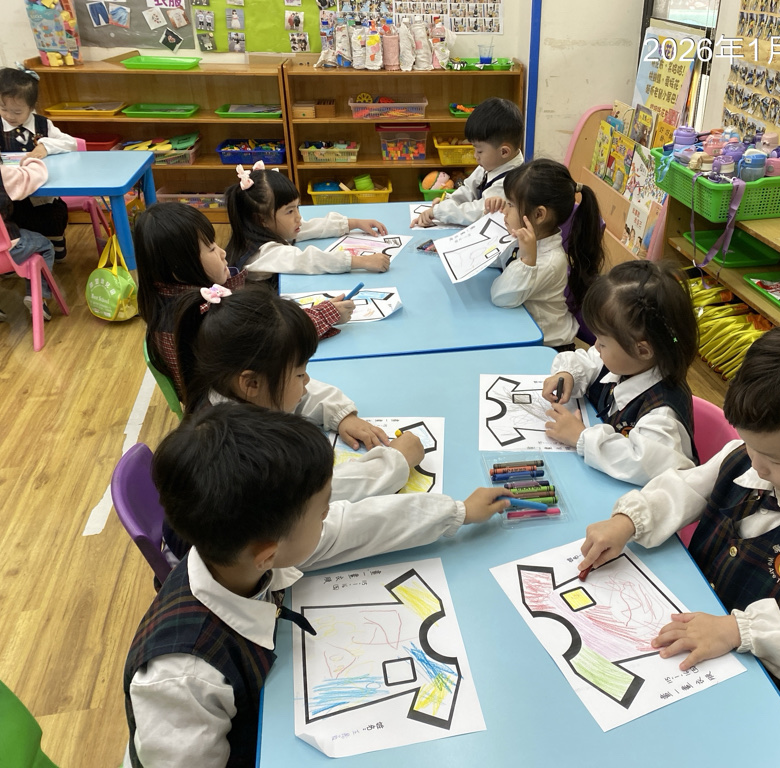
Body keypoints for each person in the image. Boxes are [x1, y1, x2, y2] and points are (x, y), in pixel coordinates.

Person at [124, 404, 512, 768]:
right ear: (267, 554)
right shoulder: (181, 682)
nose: (330, 514)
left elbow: (356, 525)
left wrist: (457, 512)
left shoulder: (237, 554)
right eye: (321, 512)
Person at [578, 323, 780, 698]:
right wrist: (628, 520)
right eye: (749, 444)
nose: (755, 464)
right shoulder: (746, 458)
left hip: (753, 677)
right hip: (685, 620)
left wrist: (736, 631)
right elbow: (684, 488)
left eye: (775, 459)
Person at [171, 284, 420, 504]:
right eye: (300, 374)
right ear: (251, 382)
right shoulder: (246, 454)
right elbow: (317, 495)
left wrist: (341, 415)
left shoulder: (231, 389)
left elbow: (296, 395)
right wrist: (394, 463)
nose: (307, 381)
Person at [135, 202, 351, 398]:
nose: (222, 252)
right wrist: (326, 314)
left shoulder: (164, 299)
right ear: (179, 267)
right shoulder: (203, 313)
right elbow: (274, 340)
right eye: (211, 248)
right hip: (235, 409)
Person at [541, 260, 699, 485]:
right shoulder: (627, 361)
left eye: (603, 342)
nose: (596, 346)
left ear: (642, 350)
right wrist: (567, 374)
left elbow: (641, 463)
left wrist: (581, 437)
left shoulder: (663, 417)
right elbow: (588, 361)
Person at [489, 158, 603, 351]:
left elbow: (501, 297)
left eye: (510, 204)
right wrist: (488, 218)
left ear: (539, 215)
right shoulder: (527, 236)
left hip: (548, 348)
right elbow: (495, 261)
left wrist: (526, 261)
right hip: (526, 332)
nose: (503, 211)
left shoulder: (549, 261)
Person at [224, 161, 388, 282]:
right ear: (261, 219)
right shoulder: (264, 254)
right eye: (290, 211)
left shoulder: (264, 227)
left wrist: (354, 223)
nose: (298, 217)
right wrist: (362, 261)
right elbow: (308, 260)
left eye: (297, 207)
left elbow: (307, 227)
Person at [0, 104, 57, 324]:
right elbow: (35, 176)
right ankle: (36, 297)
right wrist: (31, 159)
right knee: (44, 246)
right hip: (5, 253)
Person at [0, 65, 76, 260]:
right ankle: (16, 258)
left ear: (31, 107)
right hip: (10, 195)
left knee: (52, 219)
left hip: (42, 195)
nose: (9, 116)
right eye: (3, 108)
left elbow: (70, 143)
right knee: (13, 223)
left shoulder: (43, 124)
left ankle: (54, 249)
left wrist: (46, 146)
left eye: (17, 111)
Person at [412, 97, 525, 227]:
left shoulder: (511, 183)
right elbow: (468, 189)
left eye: (480, 151)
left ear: (504, 152)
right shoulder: (493, 163)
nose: (475, 156)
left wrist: (440, 212)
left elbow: (478, 212)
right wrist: (447, 202)